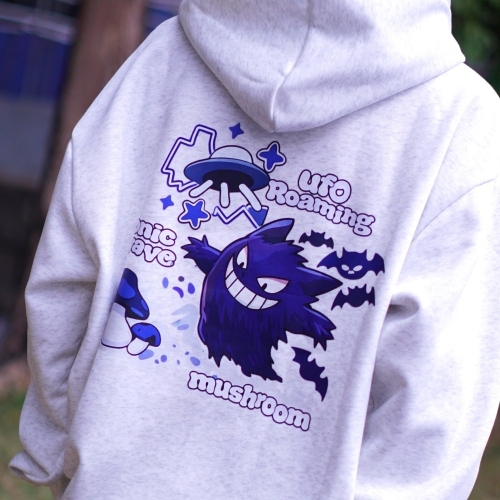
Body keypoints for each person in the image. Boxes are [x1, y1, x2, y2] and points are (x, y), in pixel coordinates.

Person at [10, 1, 500, 498]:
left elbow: (63, 283)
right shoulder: (460, 125)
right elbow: (438, 410)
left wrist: (64, 457)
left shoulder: (162, 61)